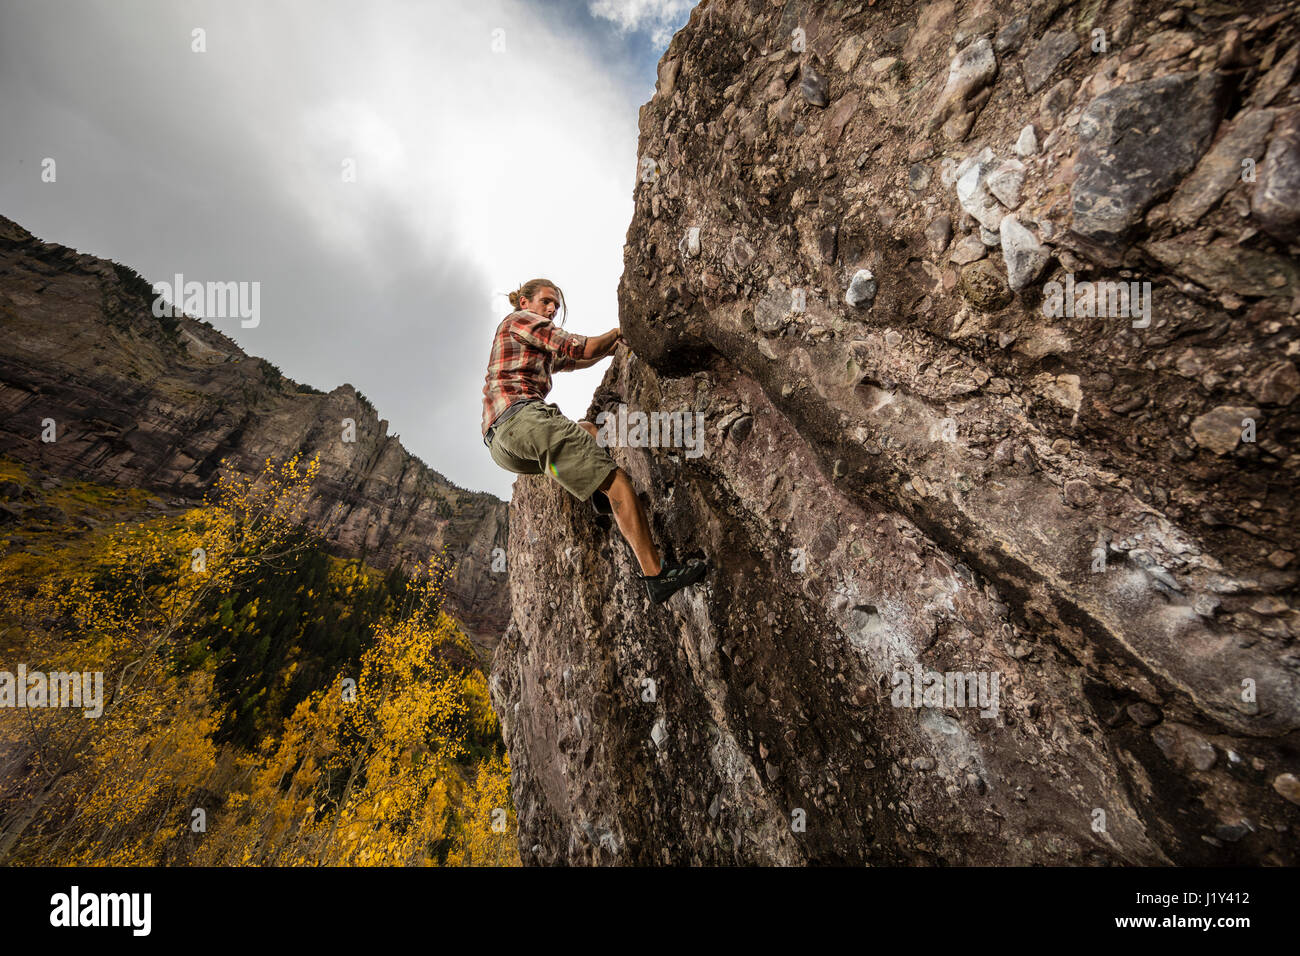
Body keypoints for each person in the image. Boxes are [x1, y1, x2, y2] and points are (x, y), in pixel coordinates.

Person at [481, 278, 709, 604]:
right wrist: (619, 332)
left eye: (555, 307)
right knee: (618, 481)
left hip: (504, 446)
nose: (551, 310)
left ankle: (600, 498)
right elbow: (580, 347)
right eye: (546, 302)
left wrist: (612, 350)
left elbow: (575, 361)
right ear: (524, 303)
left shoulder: (527, 341)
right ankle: (656, 575)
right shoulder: (522, 321)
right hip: (521, 421)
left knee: (588, 429)